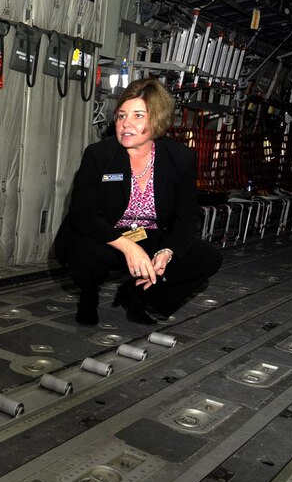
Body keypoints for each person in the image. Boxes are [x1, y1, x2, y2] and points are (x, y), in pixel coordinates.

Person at [54, 77, 221, 326]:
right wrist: (128, 247)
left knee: (206, 257)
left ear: (157, 120)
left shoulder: (181, 158)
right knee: (84, 251)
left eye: (138, 116)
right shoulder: (99, 155)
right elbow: (82, 214)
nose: (126, 124)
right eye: (122, 116)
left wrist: (167, 251)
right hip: (108, 235)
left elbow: (187, 216)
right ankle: (88, 295)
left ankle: (138, 295)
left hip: (150, 234)